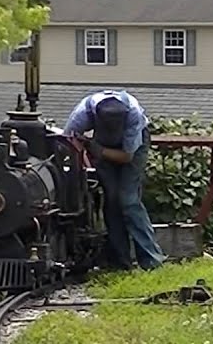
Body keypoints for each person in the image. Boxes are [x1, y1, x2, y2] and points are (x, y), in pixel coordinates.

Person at [63, 89, 166, 271]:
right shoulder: (83, 113)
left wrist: (98, 151)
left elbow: (127, 156)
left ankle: (152, 260)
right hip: (102, 146)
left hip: (132, 149)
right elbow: (66, 141)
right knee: (111, 201)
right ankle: (120, 262)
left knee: (128, 200)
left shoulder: (133, 115)